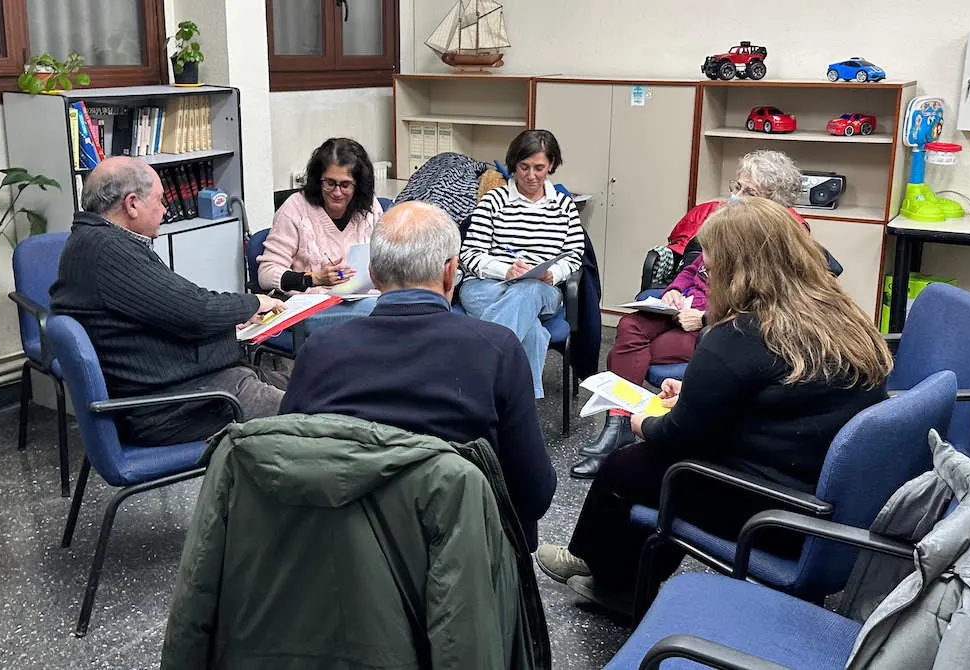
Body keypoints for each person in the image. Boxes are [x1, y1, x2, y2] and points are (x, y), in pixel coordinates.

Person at [535, 197, 893, 613]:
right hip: (832, 500)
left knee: (632, 466)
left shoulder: (738, 334)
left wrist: (644, 421)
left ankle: (612, 581)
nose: (707, 273)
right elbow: (781, 395)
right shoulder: (839, 313)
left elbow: (677, 436)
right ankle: (610, 569)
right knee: (659, 471)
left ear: (737, 270)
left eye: (710, 267)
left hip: (776, 511)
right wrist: (694, 397)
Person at [280, 201, 557, 549]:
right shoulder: (497, 350)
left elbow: (287, 467)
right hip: (462, 561)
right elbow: (535, 495)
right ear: (450, 272)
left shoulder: (319, 351)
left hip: (346, 560)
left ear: (374, 274)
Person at [571, 149, 811, 479]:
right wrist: (674, 289)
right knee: (630, 326)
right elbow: (694, 265)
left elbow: (765, 313)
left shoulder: (774, 245)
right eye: (737, 186)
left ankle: (620, 426)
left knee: (632, 352)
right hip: (684, 311)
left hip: (718, 328)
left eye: (748, 192)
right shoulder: (726, 226)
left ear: (773, 202)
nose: (736, 197)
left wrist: (705, 319)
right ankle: (622, 426)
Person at [50, 156, 286, 446]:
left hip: (169, 392)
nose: (165, 210)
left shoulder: (91, 240)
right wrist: (252, 304)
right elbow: (195, 311)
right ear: (132, 204)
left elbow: (175, 306)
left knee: (309, 383)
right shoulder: (108, 251)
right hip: (164, 410)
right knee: (312, 408)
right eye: (160, 201)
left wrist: (235, 317)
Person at [458, 129, 585, 399]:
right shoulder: (494, 201)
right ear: (514, 164)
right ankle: (522, 402)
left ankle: (477, 377)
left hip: (540, 289)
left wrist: (552, 273)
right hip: (487, 287)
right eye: (524, 167)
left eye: (539, 168)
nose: (530, 175)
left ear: (551, 165)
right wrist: (505, 270)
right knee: (534, 333)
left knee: (526, 291)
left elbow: (574, 255)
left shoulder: (564, 206)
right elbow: (468, 254)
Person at [257, 137, 384, 330]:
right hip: (309, 307)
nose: (337, 192)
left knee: (409, 304)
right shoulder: (295, 209)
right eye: (330, 183)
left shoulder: (370, 208)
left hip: (362, 299)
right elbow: (266, 275)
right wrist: (314, 278)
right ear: (318, 181)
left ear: (358, 186)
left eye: (345, 185)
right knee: (377, 312)